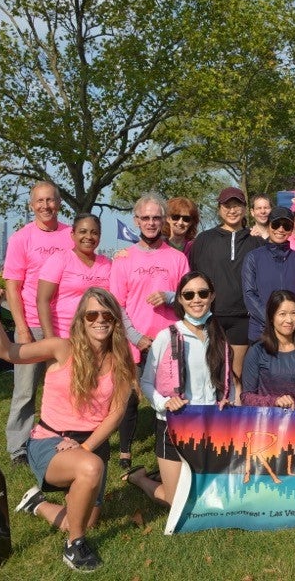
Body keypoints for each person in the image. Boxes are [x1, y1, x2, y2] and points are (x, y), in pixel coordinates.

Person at [0, 286, 137, 573]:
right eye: (92, 315)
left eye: (107, 315)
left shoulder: (122, 361)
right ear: (81, 319)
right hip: (51, 441)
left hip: (91, 443)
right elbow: (5, 351)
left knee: (85, 519)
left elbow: (115, 416)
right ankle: (75, 546)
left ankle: (36, 503)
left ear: (116, 320)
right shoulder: (61, 348)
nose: (99, 321)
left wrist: (85, 447)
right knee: (90, 469)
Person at [126, 272, 234, 506]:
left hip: (211, 426)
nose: (196, 299)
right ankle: (140, 478)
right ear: (180, 299)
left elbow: (228, 380)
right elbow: (146, 382)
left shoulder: (219, 336)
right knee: (176, 502)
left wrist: (229, 399)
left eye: (202, 293)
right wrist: (164, 403)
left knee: (211, 498)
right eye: (189, 295)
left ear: (212, 296)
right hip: (174, 424)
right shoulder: (166, 337)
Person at [110, 193, 190, 469]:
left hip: (169, 340)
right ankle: (125, 450)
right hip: (134, 340)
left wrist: (169, 296)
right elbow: (117, 305)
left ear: (164, 220)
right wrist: (136, 337)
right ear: (136, 220)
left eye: (156, 217)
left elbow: (188, 298)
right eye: (146, 218)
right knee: (129, 397)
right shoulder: (123, 259)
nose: (151, 223)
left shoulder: (177, 258)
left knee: (170, 396)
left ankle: (170, 448)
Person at [2, 181, 74, 466]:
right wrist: (21, 328)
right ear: (32, 205)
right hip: (31, 324)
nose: (46, 206)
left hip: (64, 326)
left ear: (59, 203)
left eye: (50, 200)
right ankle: (18, 448)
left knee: (66, 386)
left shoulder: (71, 235)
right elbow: (12, 285)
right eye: (40, 201)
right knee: (25, 390)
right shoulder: (21, 238)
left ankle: (67, 437)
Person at [190, 187, 264, 393]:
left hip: (243, 317)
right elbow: (193, 276)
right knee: (210, 371)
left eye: (237, 205)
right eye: (227, 206)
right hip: (211, 316)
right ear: (219, 208)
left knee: (236, 375)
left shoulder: (256, 240)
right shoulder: (204, 239)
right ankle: (210, 411)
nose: (232, 210)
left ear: (245, 209)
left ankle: (236, 411)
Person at [242, 206, 295, 342]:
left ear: (291, 230)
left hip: (293, 332)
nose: (280, 229)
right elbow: (249, 294)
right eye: (276, 224)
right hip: (262, 332)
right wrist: (273, 320)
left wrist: (290, 320)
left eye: (286, 226)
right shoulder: (253, 257)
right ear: (268, 225)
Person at [37, 213, 112, 339]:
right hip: (64, 337)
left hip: (98, 338)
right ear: (73, 234)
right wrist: (51, 340)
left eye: (94, 233)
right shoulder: (59, 260)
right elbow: (42, 301)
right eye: (83, 231)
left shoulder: (108, 264)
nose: (89, 237)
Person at [241, 290, 295, 410]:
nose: (289, 320)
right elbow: (246, 397)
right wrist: (275, 401)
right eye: (282, 314)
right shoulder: (257, 351)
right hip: (267, 419)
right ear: (271, 317)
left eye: (294, 313)